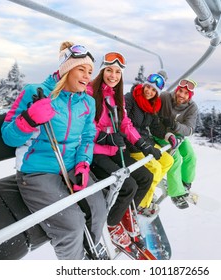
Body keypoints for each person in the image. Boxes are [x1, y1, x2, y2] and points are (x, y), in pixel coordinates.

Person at [1, 41, 107, 259]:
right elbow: (8, 136)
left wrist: (83, 163)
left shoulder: (87, 102)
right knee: (72, 226)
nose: (87, 76)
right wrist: (29, 119)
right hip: (37, 171)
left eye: (90, 71)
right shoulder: (36, 92)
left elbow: (87, 137)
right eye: (81, 69)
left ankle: (90, 252)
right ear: (66, 68)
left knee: (98, 207)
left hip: (70, 167)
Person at [87, 52, 159, 248]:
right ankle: (112, 223)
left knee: (145, 177)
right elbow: (85, 126)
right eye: (109, 70)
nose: (113, 75)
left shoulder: (115, 96)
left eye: (118, 72)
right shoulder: (90, 93)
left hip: (115, 149)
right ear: (102, 71)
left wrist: (144, 145)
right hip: (96, 153)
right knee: (128, 185)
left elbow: (126, 124)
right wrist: (105, 137)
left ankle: (125, 211)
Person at [125, 73, 175, 216]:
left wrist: (167, 135)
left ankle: (147, 191)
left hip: (147, 142)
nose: (149, 91)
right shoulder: (130, 99)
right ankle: (141, 204)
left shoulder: (152, 105)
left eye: (153, 90)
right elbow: (124, 123)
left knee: (168, 160)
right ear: (143, 85)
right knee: (155, 168)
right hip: (133, 144)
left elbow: (155, 127)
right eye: (148, 87)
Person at [150, 78, 198, 209]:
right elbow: (152, 110)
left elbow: (189, 129)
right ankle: (175, 193)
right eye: (180, 91)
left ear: (190, 96)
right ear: (177, 90)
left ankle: (185, 183)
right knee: (174, 158)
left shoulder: (192, 107)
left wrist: (175, 126)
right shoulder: (165, 97)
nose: (181, 95)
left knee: (190, 155)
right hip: (161, 135)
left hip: (178, 135)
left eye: (186, 93)